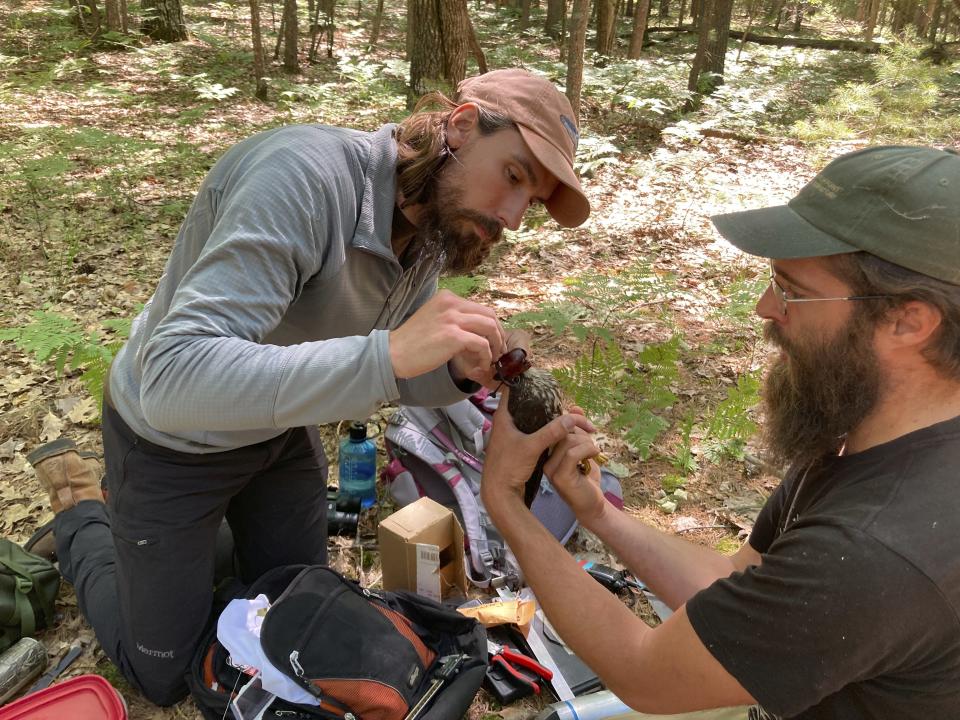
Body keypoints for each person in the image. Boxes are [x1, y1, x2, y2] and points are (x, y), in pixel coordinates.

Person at [25, 68, 590, 706]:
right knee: (162, 672)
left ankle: (181, 539)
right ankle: (84, 514)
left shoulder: (431, 225)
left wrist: (457, 372)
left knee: (288, 610)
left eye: (533, 202)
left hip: (277, 432)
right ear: (460, 126)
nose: (513, 217)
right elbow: (170, 376)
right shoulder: (302, 178)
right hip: (169, 439)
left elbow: (395, 367)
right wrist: (388, 354)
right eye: (513, 176)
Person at [481, 145, 960, 719]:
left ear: (909, 320)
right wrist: (600, 515)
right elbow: (738, 584)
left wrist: (507, 502)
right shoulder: (866, 431)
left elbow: (647, 672)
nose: (764, 308)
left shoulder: (875, 548)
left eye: (793, 290)